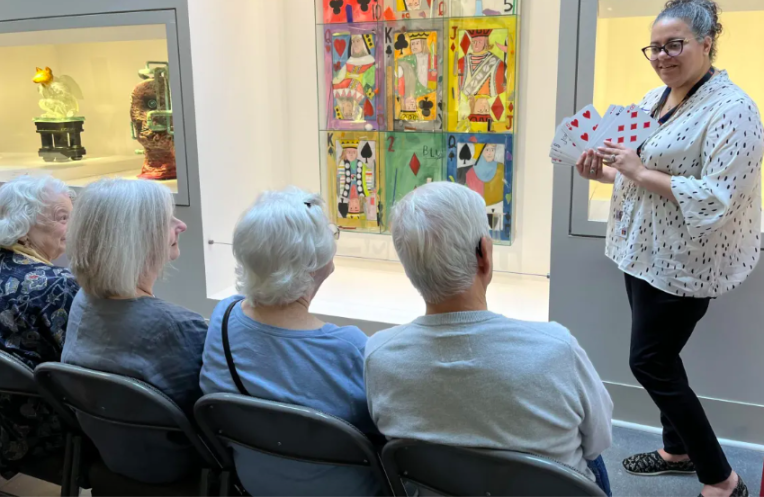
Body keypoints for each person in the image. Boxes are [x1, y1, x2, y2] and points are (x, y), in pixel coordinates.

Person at [577, 0, 764, 497]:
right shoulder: (650, 99)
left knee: (651, 362)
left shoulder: (734, 110)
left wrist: (640, 170)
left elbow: (720, 197)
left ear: (707, 43)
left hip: (686, 262)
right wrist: (598, 165)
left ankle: (722, 478)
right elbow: (623, 159)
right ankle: (675, 450)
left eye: (674, 44)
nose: (662, 56)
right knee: (662, 358)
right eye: (654, 47)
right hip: (640, 251)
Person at [364, 181, 613, 496]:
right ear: (484, 253)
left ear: (408, 266)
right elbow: (599, 441)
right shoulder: (556, 349)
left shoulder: (379, 354)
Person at [201, 188, 382, 497]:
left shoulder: (223, 318)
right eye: (330, 232)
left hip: (256, 485)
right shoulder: (349, 347)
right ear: (311, 260)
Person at [62, 178, 207, 484]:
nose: (181, 225)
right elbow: (211, 419)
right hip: (177, 469)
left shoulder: (82, 302)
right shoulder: (180, 326)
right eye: (167, 220)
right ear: (138, 237)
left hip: (113, 456)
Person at [0, 176, 78, 479]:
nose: (71, 228)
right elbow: (80, 364)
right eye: (62, 218)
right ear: (23, 224)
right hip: (28, 427)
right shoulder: (54, 284)